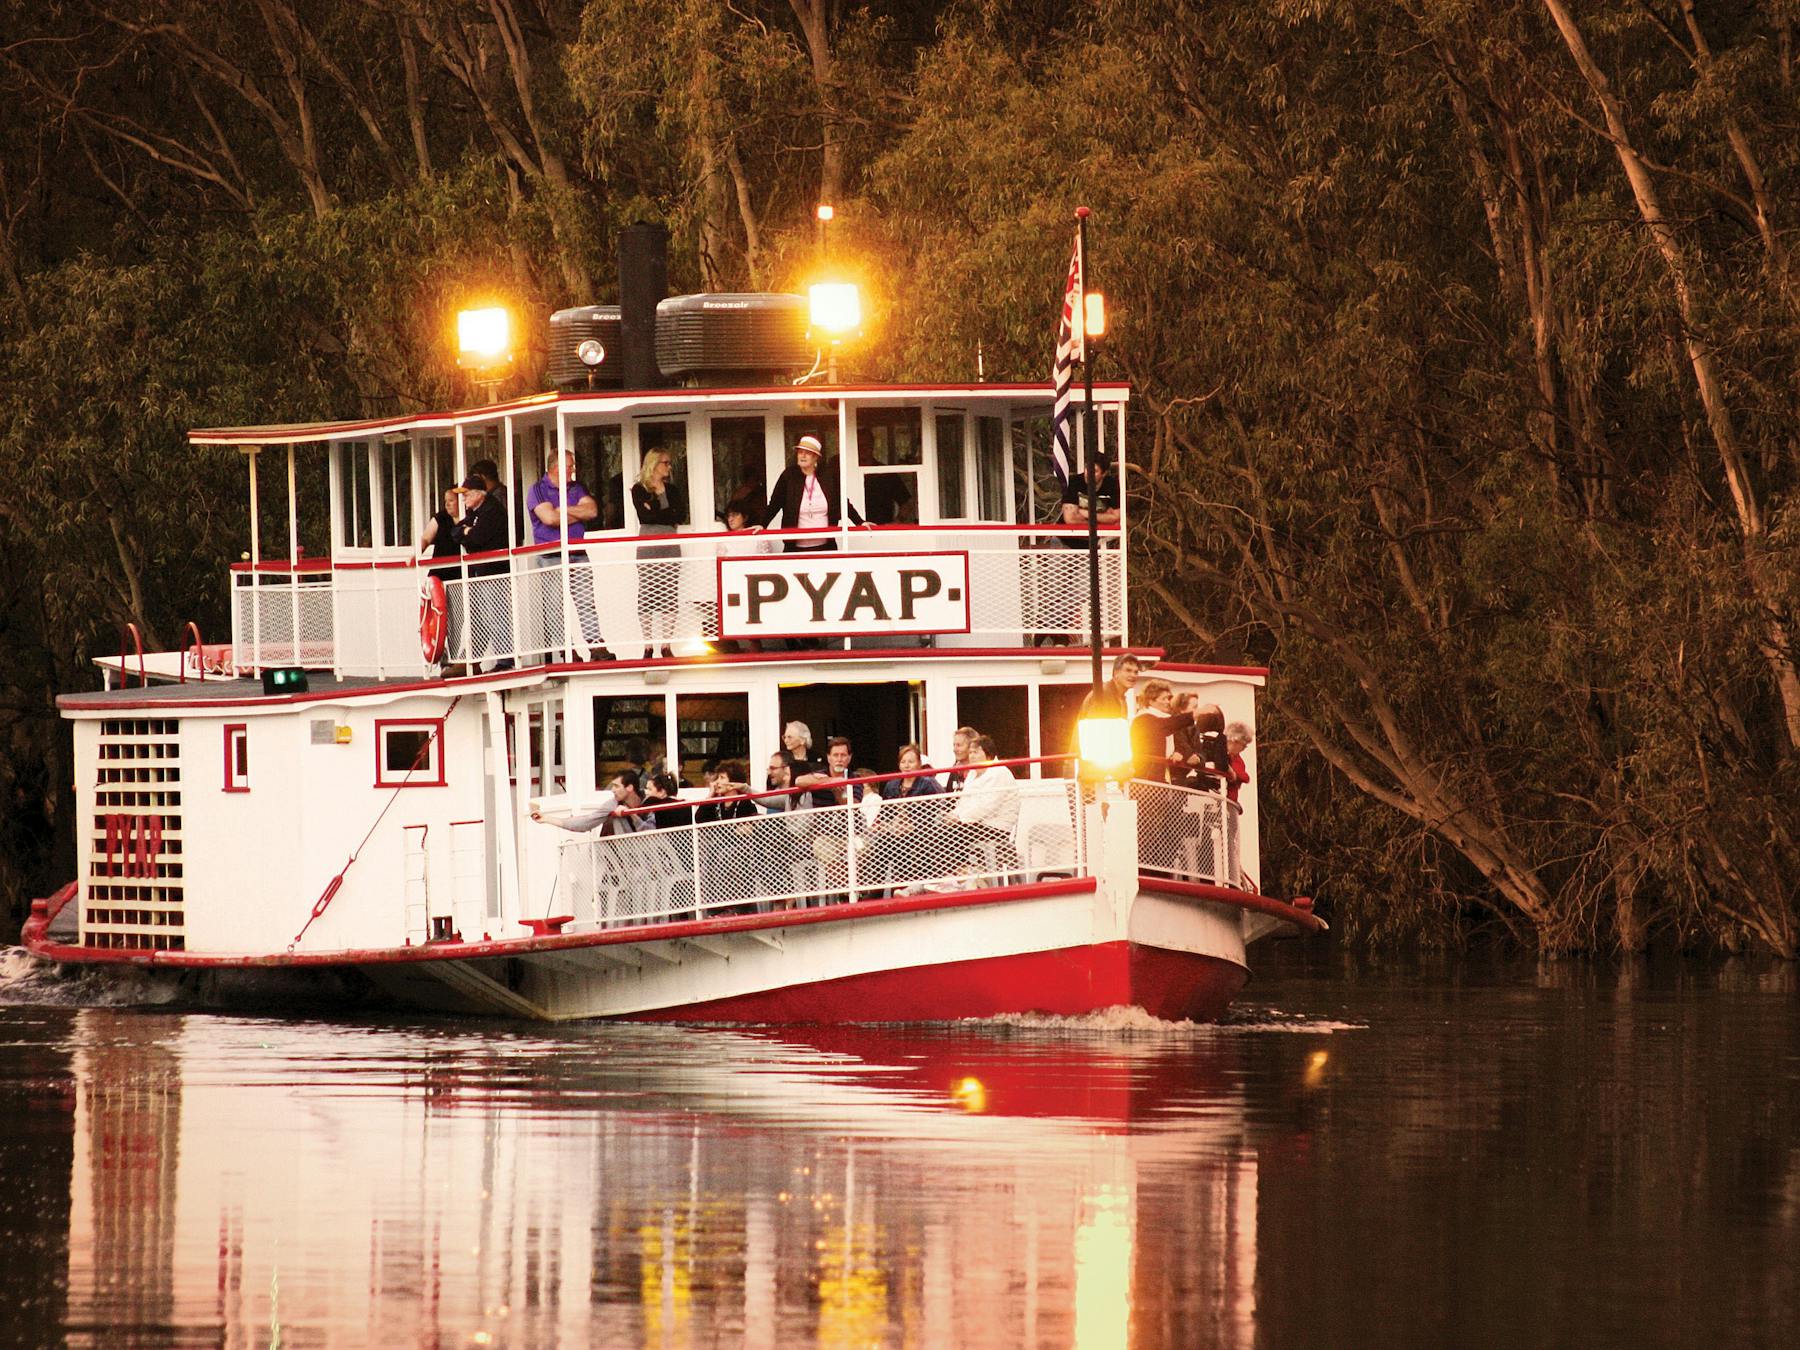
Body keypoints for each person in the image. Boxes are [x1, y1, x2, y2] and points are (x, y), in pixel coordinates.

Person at [527, 449, 614, 661]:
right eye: (569, 466)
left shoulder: (576, 487)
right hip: (551, 555)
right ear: (555, 468)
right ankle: (567, 650)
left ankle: (596, 646)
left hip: (577, 552)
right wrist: (575, 512)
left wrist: (561, 510)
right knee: (555, 604)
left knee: (586, 601)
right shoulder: (538, 489)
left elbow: (592, 511)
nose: (573, 470)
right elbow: (549, 519)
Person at [1045, 456, 1121, 645]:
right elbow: (1070, 518)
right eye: (1087, 469)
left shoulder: (1111, 485)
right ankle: (1057, 633)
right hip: (1063, 541)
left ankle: (1048, 624)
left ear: (1104, 473)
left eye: (1094, 470)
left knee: (1084, 590)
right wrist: (1102, 516)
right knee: (1056, 588)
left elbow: (1116, 518)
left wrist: (1085, 512)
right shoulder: (1075, 482)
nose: (1089, 473)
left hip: (1088, 546)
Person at [450, 473, 514, 672]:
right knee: (483, 616)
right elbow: (455, 532)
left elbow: (478, 538)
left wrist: (468, 533)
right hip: (481, 572)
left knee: (497, 615)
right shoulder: (475, 512)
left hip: (494, 571)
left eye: (467, 494)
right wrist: (466, 532)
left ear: (479, 493)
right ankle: (475, 659)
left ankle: (505, 661)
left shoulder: (492, 510)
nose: (463, 498)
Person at [759, 434, 864, 549]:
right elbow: (775, 504)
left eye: (808, 453)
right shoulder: (788, 476)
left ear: (816, 457)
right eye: (800, 452)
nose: (803, 456)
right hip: (794, 549)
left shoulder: (828, 476)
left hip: (826, 547)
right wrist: (762, 524)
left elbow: (842, 501)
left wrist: (860, 522)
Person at [630, 448, 683, 659]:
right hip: (649, 545)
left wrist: (656, 506)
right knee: (647, 592)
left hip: (670, 545)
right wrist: (664, 512)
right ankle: (648, 646)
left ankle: (666, 645)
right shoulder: (639, 489)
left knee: (669, 591)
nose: (669, 467)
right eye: (665, 463)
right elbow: (645, 517)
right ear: (654, 464)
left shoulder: (673, 490)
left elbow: (680, 515)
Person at [943, 735, 1020, 876]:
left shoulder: (999, 772)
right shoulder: (973, 774)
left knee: (950, 834)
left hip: (996, 827)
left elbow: (987, 806)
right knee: (936, 830)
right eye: (970, 752)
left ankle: (960, 876)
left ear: (988, 754)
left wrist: (960, 818)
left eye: (976, 752)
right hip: (974, 824)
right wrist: (953, 815)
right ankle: (950, 876)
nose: (972, 756)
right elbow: (964, 802)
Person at [714, 491, 775, 653]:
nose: (730, 519)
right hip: (733, 584)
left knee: (753, 600)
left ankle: (755, 642)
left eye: (735, 515)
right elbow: (720, 565)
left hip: (756, 583)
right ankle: (731, 644)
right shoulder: (724, 540)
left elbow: (767, 562)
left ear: (745, 517)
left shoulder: (756, 536)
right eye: (728, 516)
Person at [1130, 679, 1197, 783]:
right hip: (1145, 778)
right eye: (1163, 699)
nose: (1167, 702)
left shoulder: (1163, 719)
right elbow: (1167, 725)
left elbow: (1181, 743)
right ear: (1151, 701)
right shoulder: (1143, 720)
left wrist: (1178, 752)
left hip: (1160, 777)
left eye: (1168, 698)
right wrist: (1195, 715)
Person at [943, 725, 980, 792]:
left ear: (971, 746)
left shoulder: (980, 771)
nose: (954, 749)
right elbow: (948, 795)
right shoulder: (955, 770)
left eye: (959, 745)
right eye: (954, 745)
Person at [1224, 721, 1253, 804]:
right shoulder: (1217, 753)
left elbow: (1245, 778)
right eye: (1244, 745)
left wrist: (1234, 774)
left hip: (1229, 801)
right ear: (1235, 740)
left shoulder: (1238, 760)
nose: (1244, 748)